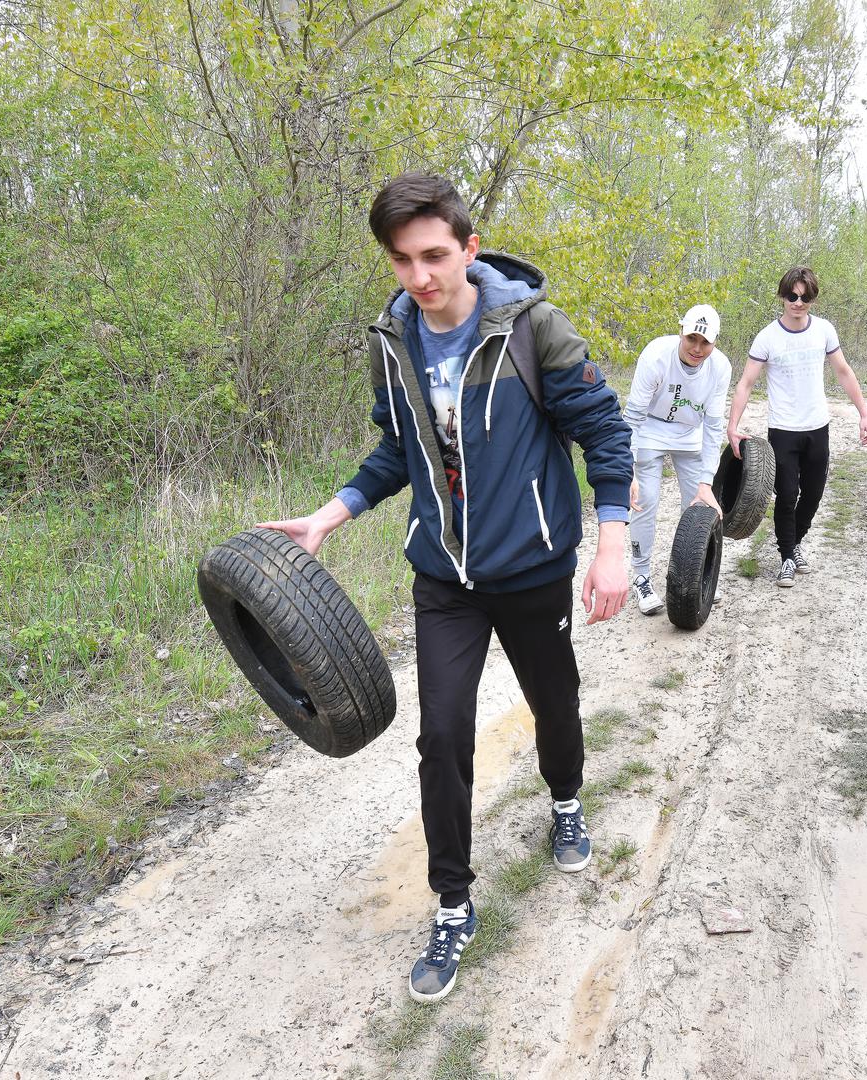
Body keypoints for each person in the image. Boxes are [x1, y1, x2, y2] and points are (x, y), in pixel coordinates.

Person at [259, 172, 633, 1004]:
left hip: (534, 565)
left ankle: (566, 800)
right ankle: (454, 901)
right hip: (445, 578)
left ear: (469, 247)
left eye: (435, 255)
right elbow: (397, 450)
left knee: (556, 703)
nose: (421, 277)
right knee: (443, 738)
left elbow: (604, 431)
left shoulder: (533, 329)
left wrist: (612, 545)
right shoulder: (391, 341)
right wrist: (331, 515)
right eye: (402, 261)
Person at [726, 266, 867, 588]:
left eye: (805, 297)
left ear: (812, 299)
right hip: (783, 428)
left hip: (817, 425)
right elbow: (746, 383)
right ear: (783, 296)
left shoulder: (824, 331)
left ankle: (794, 543)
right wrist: (732, 427)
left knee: (814, 493)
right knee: (787, 494)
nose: (798, 302)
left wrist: (863, 413)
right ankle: (787, 558)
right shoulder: (767, 336)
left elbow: (843, 372)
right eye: (792, 296)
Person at [622, 304, 730, 614]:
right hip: (649, 430)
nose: (697, 348)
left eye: (705, 342)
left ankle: (695, 574)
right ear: (681, 331)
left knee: (698, 506)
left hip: (689, 434)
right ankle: (642, 576)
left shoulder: (720, 367)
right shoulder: (656, 355)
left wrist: (707, 482)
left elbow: (713, 427)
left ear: (715, 341)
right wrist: (627, 471)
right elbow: (632, 418)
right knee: (646, 500)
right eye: (692, 339)